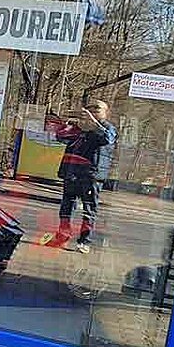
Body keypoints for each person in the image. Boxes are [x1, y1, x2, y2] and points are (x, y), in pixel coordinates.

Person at [51, 99, 118, 253]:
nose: (92, 112)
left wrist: (93, 123)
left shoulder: (108, 128)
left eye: (96, 109)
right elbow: (61, 137)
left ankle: (84, 241)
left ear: (106, 113)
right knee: (66, 207)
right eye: (89, 109)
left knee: (89, 209)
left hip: (91, 176)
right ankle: (63, 235)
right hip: (72, 172)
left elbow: (107, 138)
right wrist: (65, 123)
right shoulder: (79, 127)